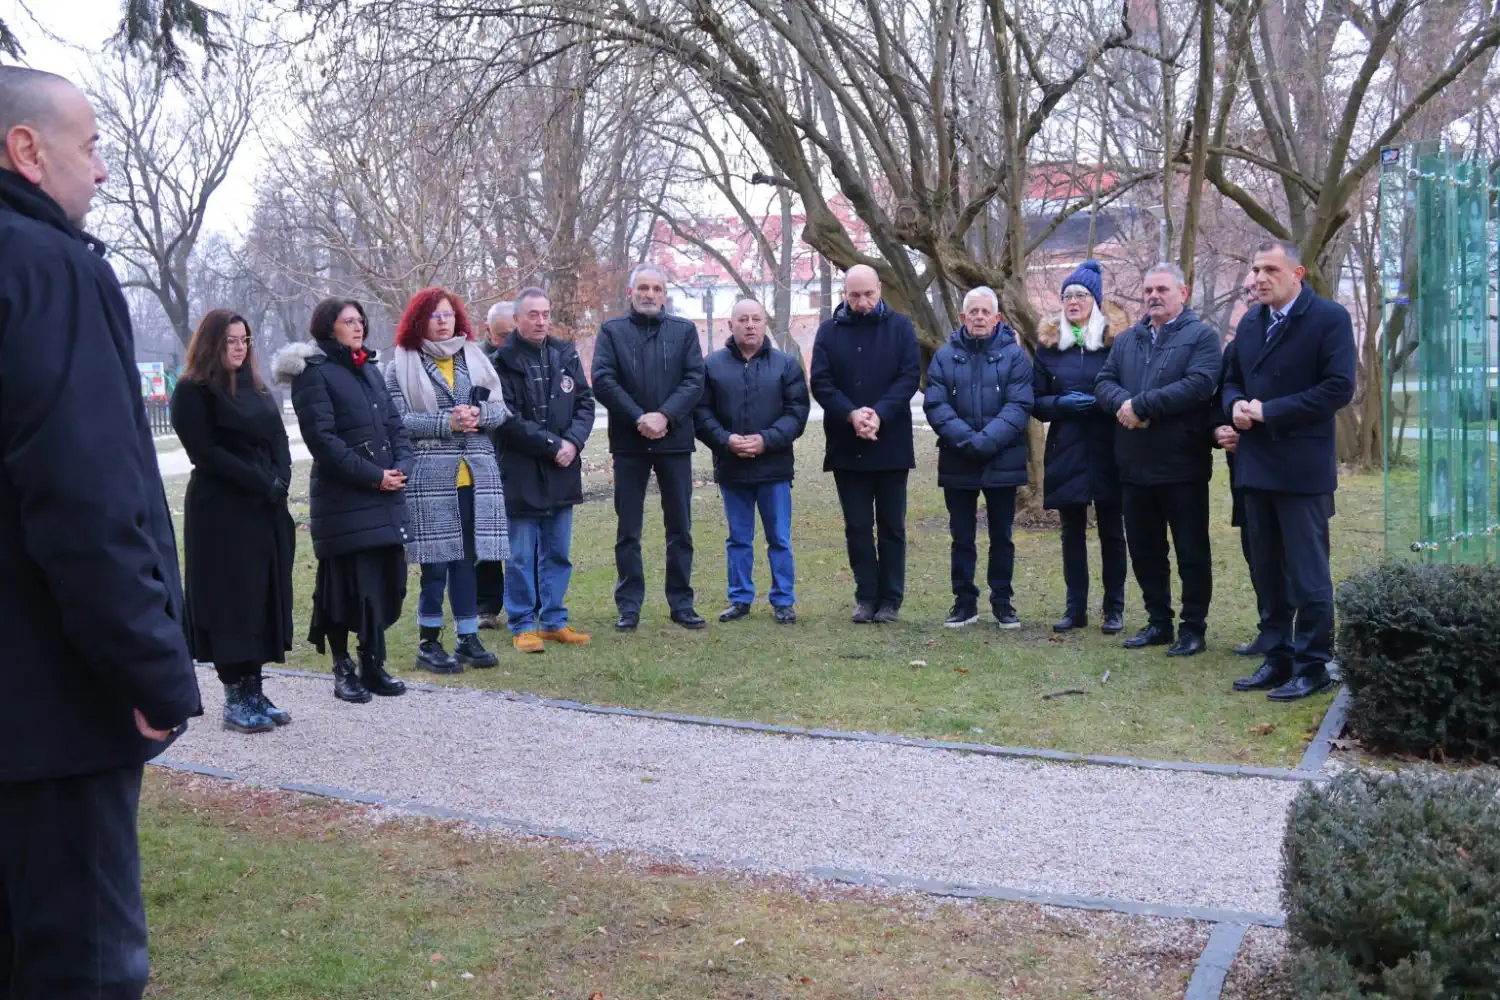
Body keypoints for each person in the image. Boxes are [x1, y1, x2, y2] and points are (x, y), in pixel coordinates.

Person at [0, 66, 201, 999]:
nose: (106, 171)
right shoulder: (48, 268)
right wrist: (150, 670)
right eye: (91, 146)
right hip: (51, 708)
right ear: (26, 150)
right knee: (79, 968)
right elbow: (85, 499)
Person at [1224, 240, 1355, 701]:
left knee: (1307, 573)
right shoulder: (1250, 324)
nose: (1259, 278)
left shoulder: (1329, 319)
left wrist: (1269, 411)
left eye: (1270, 270)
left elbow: (1338, 388)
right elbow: (1232, 379)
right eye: (1255, 269)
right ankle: (1277, 656)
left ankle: (1313, 663)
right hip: (1256, 465)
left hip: (1301, 468)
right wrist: (1235, 405)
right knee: (1266, 569)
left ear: (1297, 274)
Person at [275, 299, 412, 703]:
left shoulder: (368, 368)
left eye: (360, 320)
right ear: (327, 327)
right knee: (344, 587)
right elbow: (323, 440)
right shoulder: (313, 374)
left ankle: (373, 661)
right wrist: (374, 476)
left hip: (385, 493)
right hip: (344, 498)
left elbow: (395, 426)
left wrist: (401, 467)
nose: (358, 326)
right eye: (348, 321)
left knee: (385, 581)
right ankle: (343, 667)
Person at [173, 309, 296, 734]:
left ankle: (255, 687)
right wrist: (260, 481)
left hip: (265, 509)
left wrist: (281, 477)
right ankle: (235, 695)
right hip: (222, 511)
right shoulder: (193, 391)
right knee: (232, 599)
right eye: (230, 340)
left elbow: (278, 437)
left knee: (262, 596)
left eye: (244, 339)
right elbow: (205, 451)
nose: (240, 347)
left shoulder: (257, 388)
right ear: (212, 343)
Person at [1094, 262, 1221, 656]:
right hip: (1133, 464)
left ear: (1182, 293)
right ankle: (1158, 621)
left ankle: (1193, 627)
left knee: (1190, 551)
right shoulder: (1128, 340)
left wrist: (1143, 406)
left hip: (1182, 464)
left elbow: (1199, 384)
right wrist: (1124, 406)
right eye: (1148, 290)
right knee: (1146, 550)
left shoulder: (1201, 337)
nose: (1154, 296)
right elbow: (1103, 382)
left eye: (1162, 290)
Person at [387, 287, 510, 671]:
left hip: (475, 473)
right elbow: (398, 421)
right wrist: (446, 422)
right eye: (435, 316)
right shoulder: (401, 364)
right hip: (430, 477)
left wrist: (478, 417)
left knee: (467, 561)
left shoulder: (474, 358)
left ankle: (468, 638)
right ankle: (429, 641)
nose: (443, 322)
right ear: (419, 321)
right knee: (436, 563)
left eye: (448, 315)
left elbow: (500, 409)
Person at [591, 264, 707, 631]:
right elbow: (603, 380)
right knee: (628, 529)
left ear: (665, 294)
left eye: (657, 288)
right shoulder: (611, 332)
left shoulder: (684, 331)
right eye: (643, 288)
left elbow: (694, 380)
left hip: (674, 442)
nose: (650, 294)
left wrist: (665, 417)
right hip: (629, 442)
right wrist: (640, 416)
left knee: (680, 527)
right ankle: (629, 606)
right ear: (631, 293)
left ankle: (681, 602)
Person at [810, 264, 922, 623]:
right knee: (857, 526)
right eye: (854, 295)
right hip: (847, 444)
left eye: (868, 294)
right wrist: (851, 415)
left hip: (890, 444)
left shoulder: (901, 327)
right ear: (845, 293)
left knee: (892, 526)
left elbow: (909, 377)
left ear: (880, 290)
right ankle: (866, 596)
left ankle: (890, 600)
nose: (862, 302)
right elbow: (822, 383)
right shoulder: (828, 332)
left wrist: (878, 415)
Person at [695, 299, 811, 624]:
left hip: (773, 468)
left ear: (764, 324)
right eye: (743, 319)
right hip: (731, 468)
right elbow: (701, 414)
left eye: (756, 319)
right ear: (729, 325)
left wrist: (766, 440)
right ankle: (740, 598)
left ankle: (783, 600)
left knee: (779, 538)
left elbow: (797, 413)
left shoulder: (786, 365)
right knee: (738, 539)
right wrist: (726, 441)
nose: (750, 325)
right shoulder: (711, 366)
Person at [923, 286, 1033, 628]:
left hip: (1003, 459)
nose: (980, 317)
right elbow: (936, 405)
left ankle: (1003, 603)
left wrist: (987, 441)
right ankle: (964, 603)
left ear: (997, 317)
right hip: (959, 458)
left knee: (1002, 536)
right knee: (962, 536)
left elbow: (1020, 405)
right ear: (963, 317)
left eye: (986, 312)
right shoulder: (944, 356)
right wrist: (967, 440)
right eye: (974, 312)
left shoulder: (1015, 357)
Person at [493, 287, 596, 651]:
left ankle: (554, 621)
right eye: (533, 314)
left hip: (563, 469)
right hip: (521, 471)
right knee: (521, 555)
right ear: (517, 318)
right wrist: (553, 445)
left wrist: (573, 443)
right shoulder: (500, 361)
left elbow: (584, 402)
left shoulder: (564, 354)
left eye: (545, 314)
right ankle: (522, 624)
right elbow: (506, 418)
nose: (541, 321)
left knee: (558, 551)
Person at [1033, 260, 1131, 634]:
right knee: (1071, 532)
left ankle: (1114, 609)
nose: (1073, 301)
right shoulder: (1049, 347)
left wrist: (1104, 403)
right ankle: (1075, 609)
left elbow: (1127, 390)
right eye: (1067, 295)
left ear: (1096, 301)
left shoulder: (1115, 344)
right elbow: (1035, 401)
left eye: (1081, 295)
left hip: (1109, 448)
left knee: (1112, 531)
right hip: (1067, 448)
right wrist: (1061, 405)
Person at [1216, 272, 1277, 658]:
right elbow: (1225, 391)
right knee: (1256, 550)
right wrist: (1222, 426)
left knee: (1294, 557)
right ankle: (1269, 629)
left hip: (1288, 467)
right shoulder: (1238, 344)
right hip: (1245, 470)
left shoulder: (1304, 340)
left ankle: (1302, 636)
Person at [477, 299, 515, 630]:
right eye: (502, 336)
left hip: (519, 459)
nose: (509, 341)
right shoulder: (475, 363)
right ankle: (485, 605)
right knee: (484, 536)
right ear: (487, 331)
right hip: (485, 457)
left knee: (524, 535)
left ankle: (527, 600)